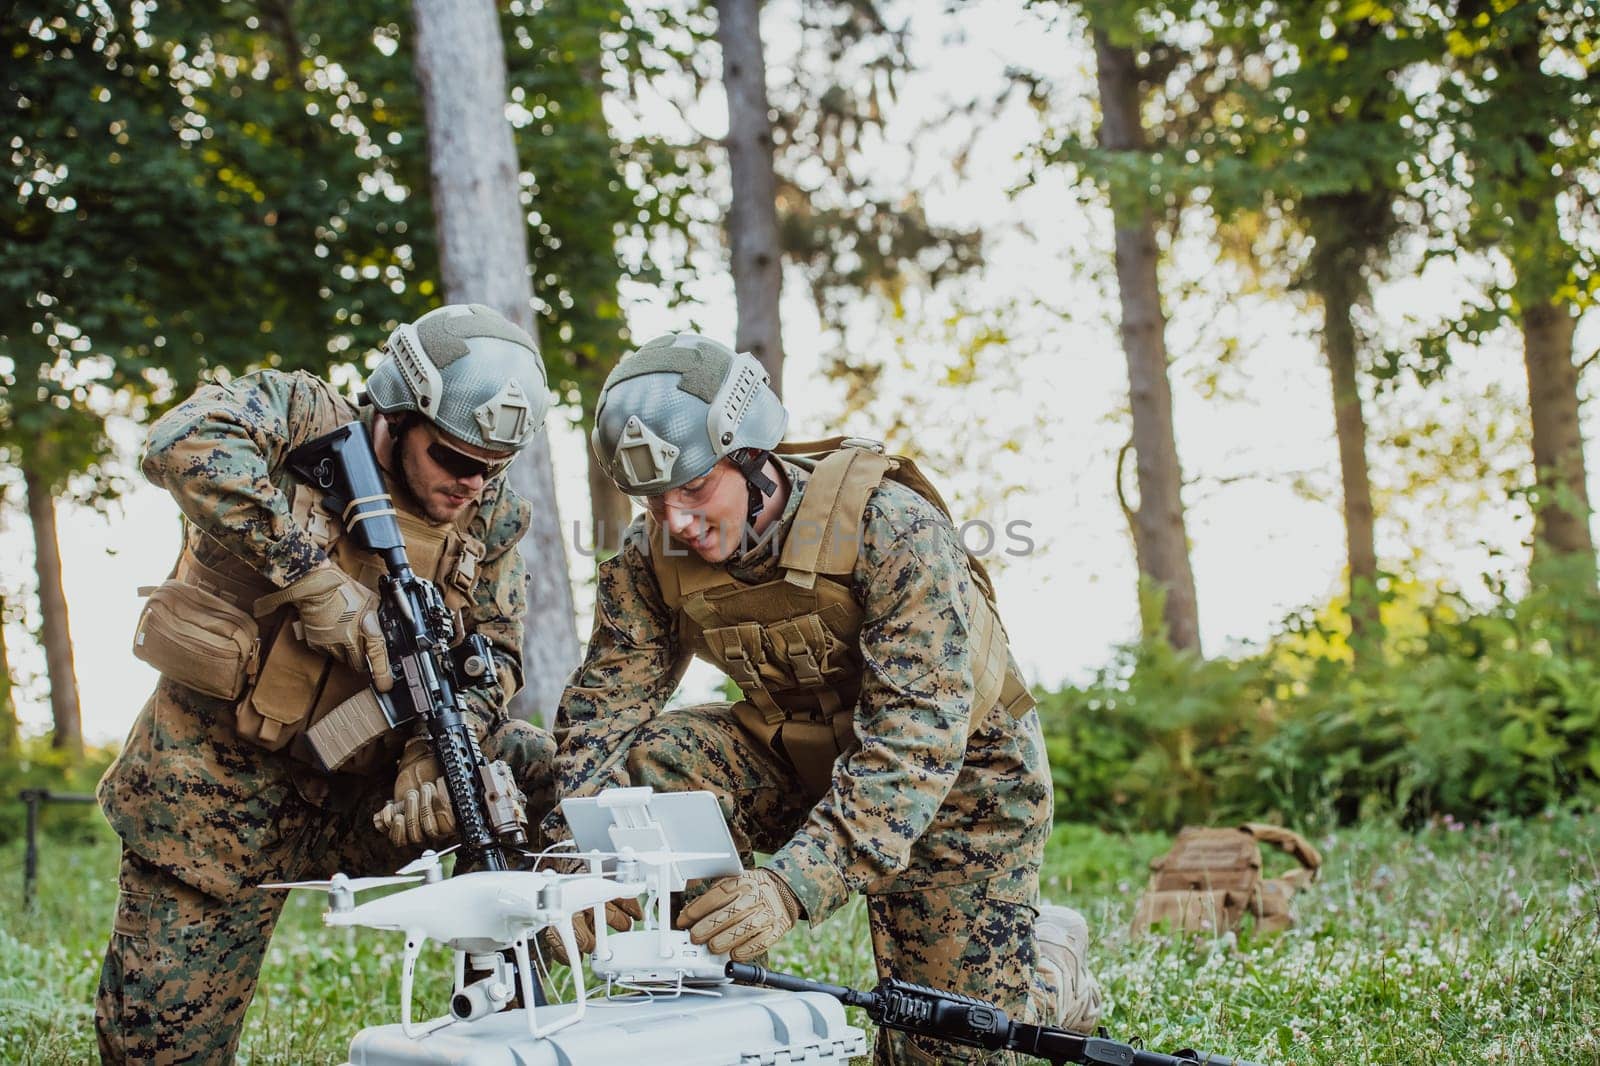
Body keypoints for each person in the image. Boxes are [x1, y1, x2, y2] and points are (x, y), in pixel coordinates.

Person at [548, 332, 1103, 1065]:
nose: (675, 521)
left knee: (940, 1051)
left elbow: (915, 745)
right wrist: (572, 859)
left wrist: (789, 887)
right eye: (652, 500)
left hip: (962, 784)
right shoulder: (649, 560)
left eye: (692, 489)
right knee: (663, 762)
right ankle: (700, 996)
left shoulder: (891, 526)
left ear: (750, 457)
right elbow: (600, 721)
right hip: (804, 760)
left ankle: (1045, 973)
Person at [95, 303, 557, 1064]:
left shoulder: (492, 518)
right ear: (401, 413)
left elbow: (497, 656)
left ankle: (508, 1003)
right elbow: (180, 443)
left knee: (527, 760)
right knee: (158, 1055)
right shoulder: (300, 416)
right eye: (455, 458)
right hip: (213, 800)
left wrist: (430, 755)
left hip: (366, 801)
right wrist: (315, 585)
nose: (473, 483)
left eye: (493, 467)